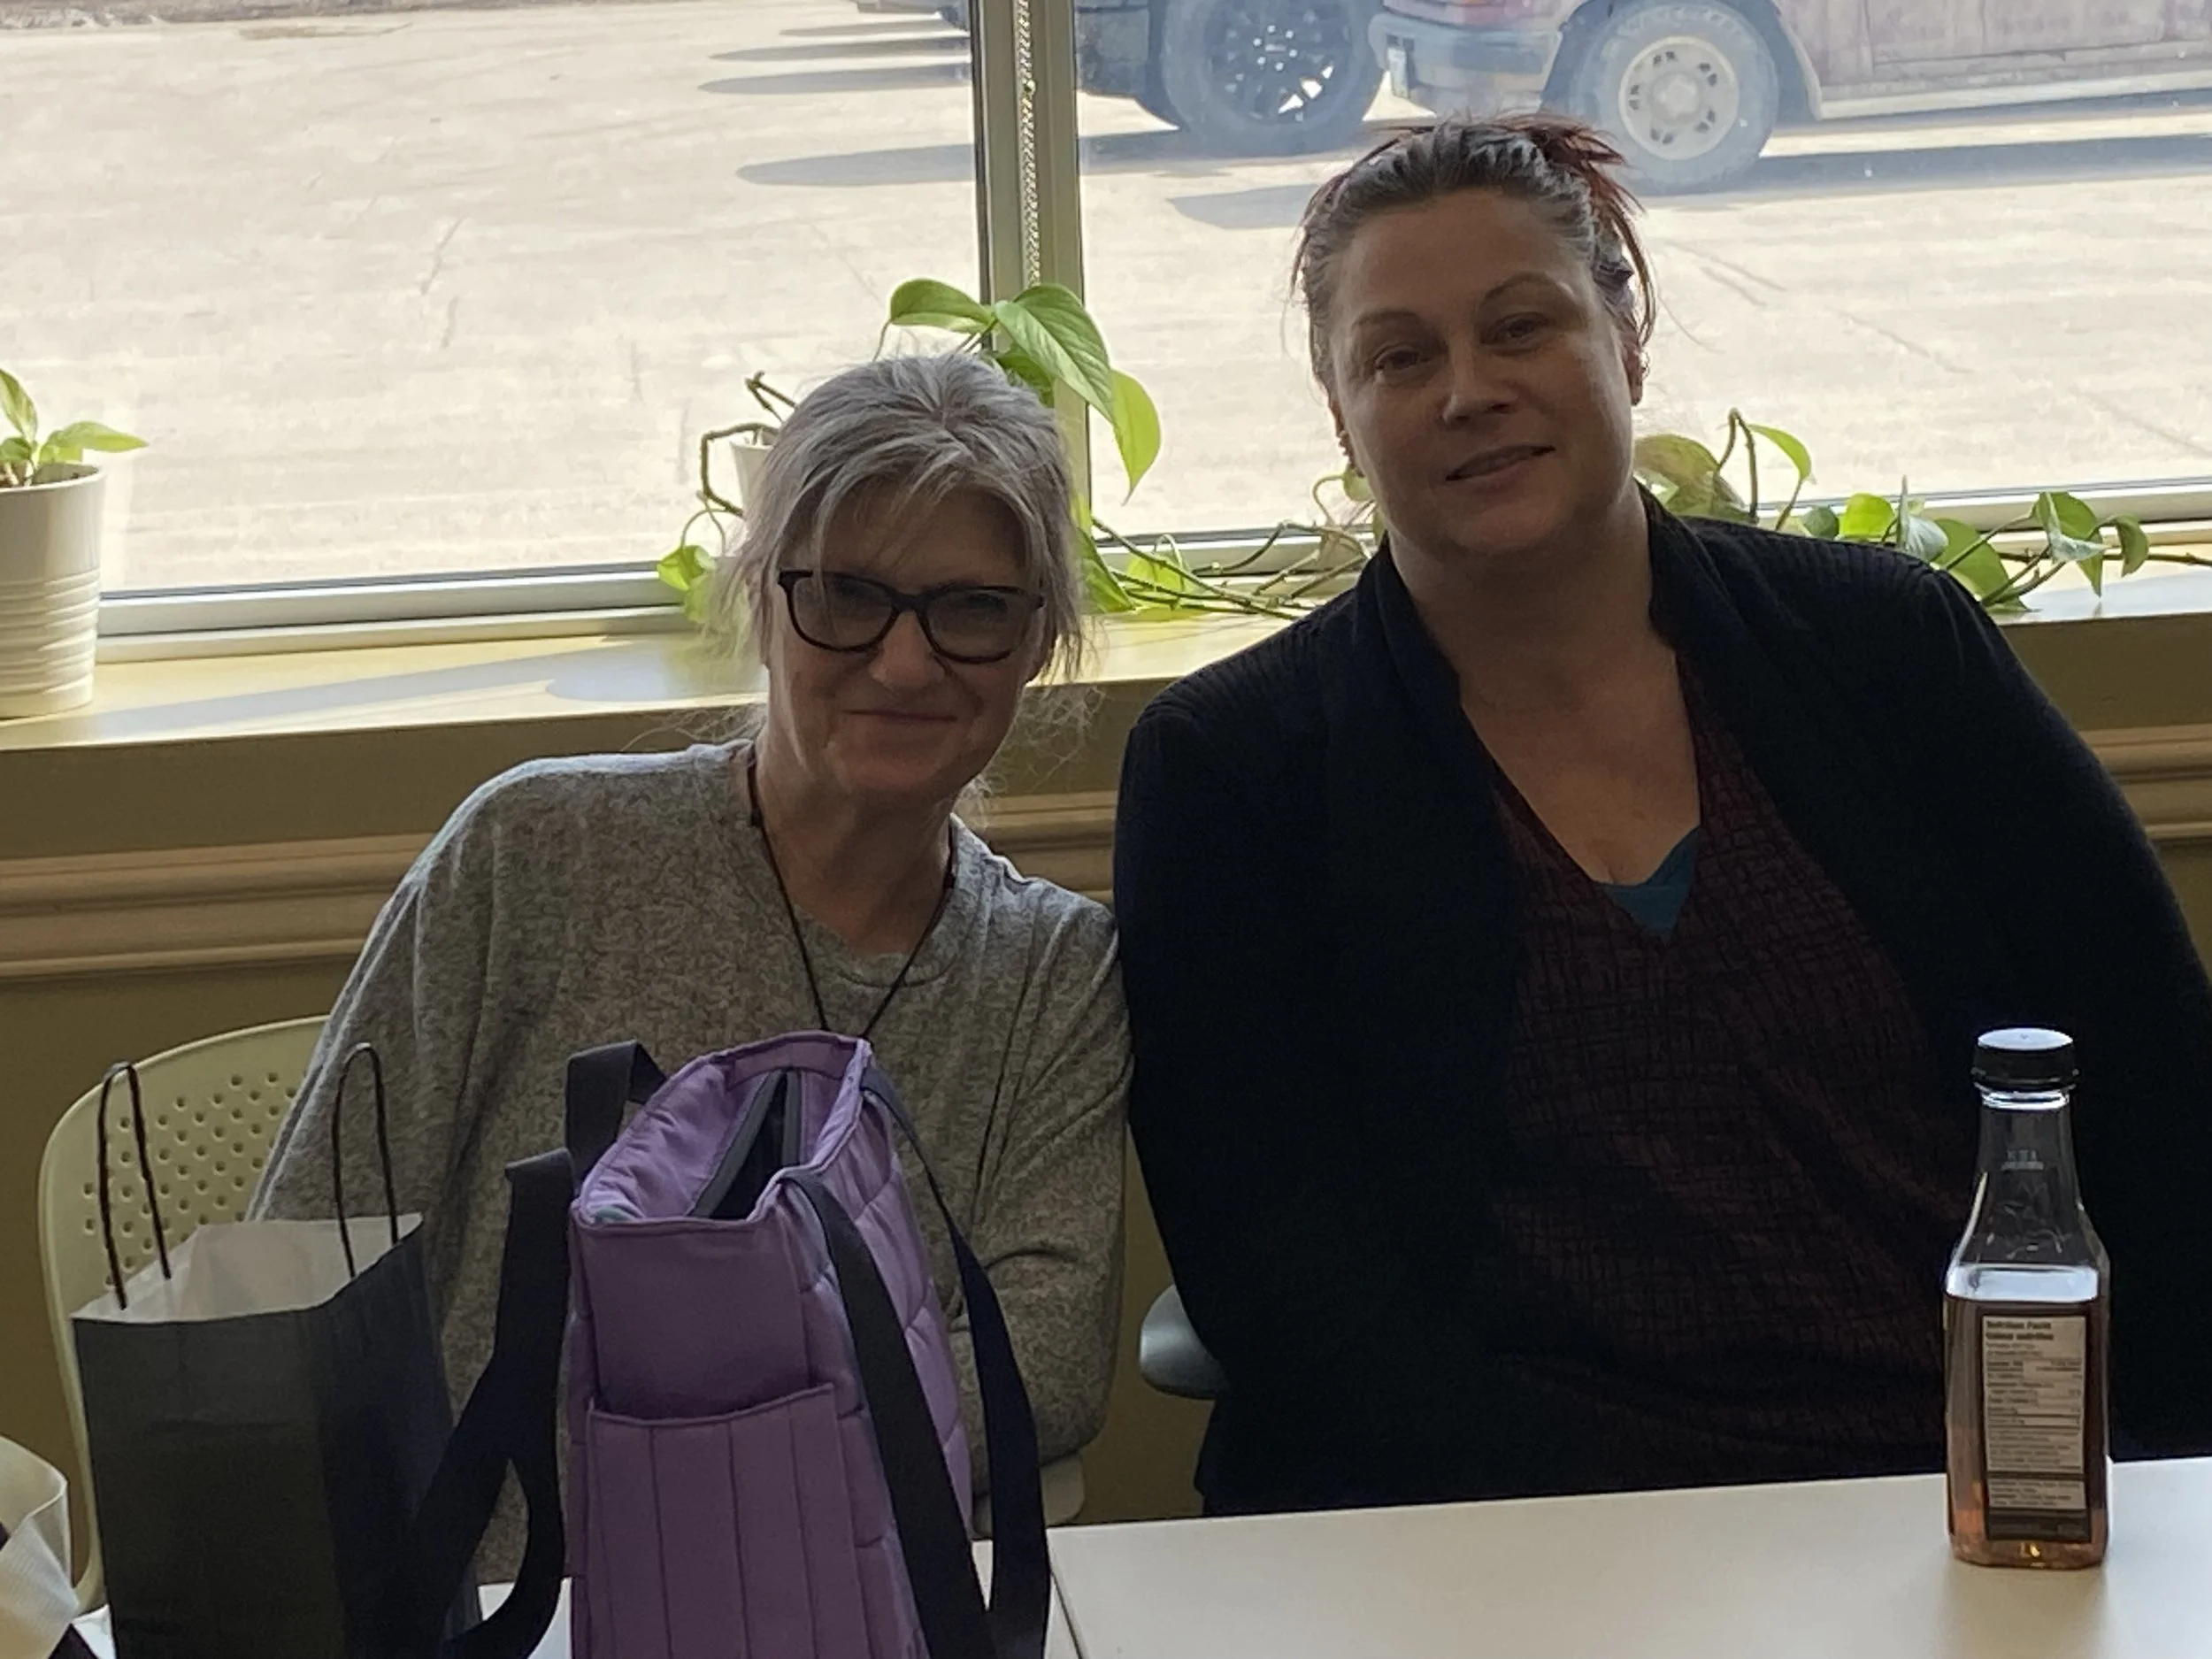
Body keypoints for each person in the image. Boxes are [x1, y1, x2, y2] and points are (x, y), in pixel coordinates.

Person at [1113, 115, 2212, 1517]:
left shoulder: (1891, 652)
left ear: (1625, 344)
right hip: (1502, 1541)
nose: (1469, 391)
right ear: (1342, 413)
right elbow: (1283, 1272)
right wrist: (1592, 1548)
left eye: (1521, 327)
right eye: (1400, 356)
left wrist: (2161, 1498)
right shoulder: (1235, 768)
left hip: (1968, 1503)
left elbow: (2157, 1091)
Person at [255, 352, 1129, 1568]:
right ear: (762, 604)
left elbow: (1046, 1360)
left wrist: (706, 1473)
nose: (906, 661)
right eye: (846, 594)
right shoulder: (535, 853)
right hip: (497, 1603)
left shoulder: (1054, 971)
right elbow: (308, 1256)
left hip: (843, 1596)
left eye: (972, 608)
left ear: (1038, 643)